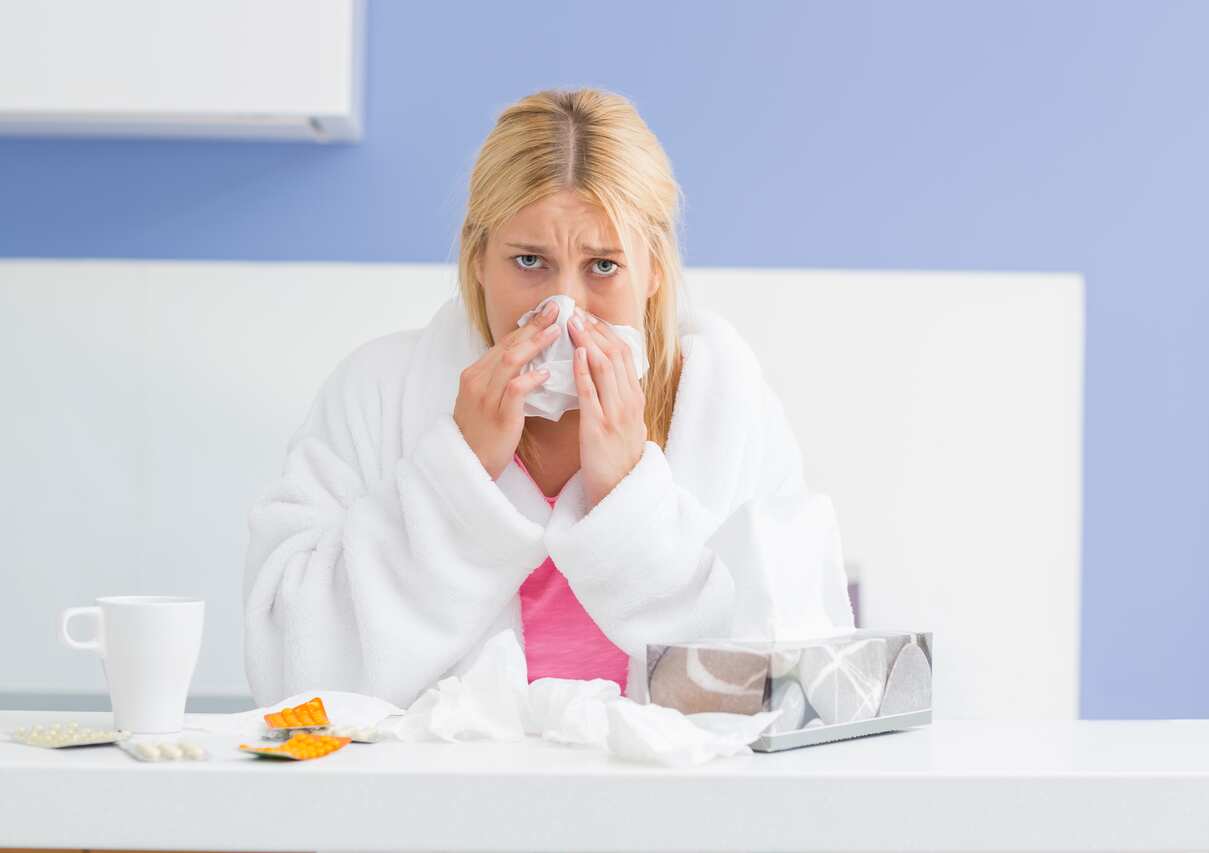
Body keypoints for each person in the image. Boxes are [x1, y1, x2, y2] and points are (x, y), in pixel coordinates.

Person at [242, 87, 854, 709]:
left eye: (604, 266)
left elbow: (790, 688)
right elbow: (290, 674)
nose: (564, 309)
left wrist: (627, 496)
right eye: (530, 260)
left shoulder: (726, 405)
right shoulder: (375, 390)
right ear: (478, 258)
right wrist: (457, 479)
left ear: (655, 269)